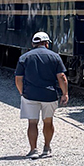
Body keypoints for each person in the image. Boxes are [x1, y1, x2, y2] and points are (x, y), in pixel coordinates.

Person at [14, 31, 68, 159]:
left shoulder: (24, 57)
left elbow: (18, 78)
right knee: (48, 122)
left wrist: (22, 92)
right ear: (47, 44)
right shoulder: (55, 57)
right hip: (49, 95)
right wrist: (65, 94)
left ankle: (33, 150)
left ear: (33, 43)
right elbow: (62, 77)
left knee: (32, 123)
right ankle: (47, 148)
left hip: (30, 95)